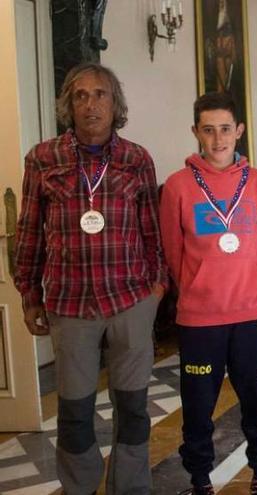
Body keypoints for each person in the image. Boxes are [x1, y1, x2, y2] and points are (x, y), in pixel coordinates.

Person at [14, 62, 165, 494]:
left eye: (100, 94)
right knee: (75, 410)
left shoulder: (137, 159)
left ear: (115, 103)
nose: (90, 104)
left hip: (131, 299)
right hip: (69, 303)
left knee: (133, 406)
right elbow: (28, 230)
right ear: (69, 106)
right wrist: (28, 293)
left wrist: (157, 289)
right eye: (80, 96)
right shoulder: (43, 159)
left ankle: (130, 487)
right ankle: (80, 487)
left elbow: (152, 232)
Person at [159, 92, 257, 495]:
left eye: (225, 129)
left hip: (250, 315)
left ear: (239, 131)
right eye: (208, 130)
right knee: (197, 408)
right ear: (196, 132)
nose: (218, 139)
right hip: (199, 320)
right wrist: (200, 289)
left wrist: (245, 285)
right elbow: (173, 253)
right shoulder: (177, 187)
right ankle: (200, 481)